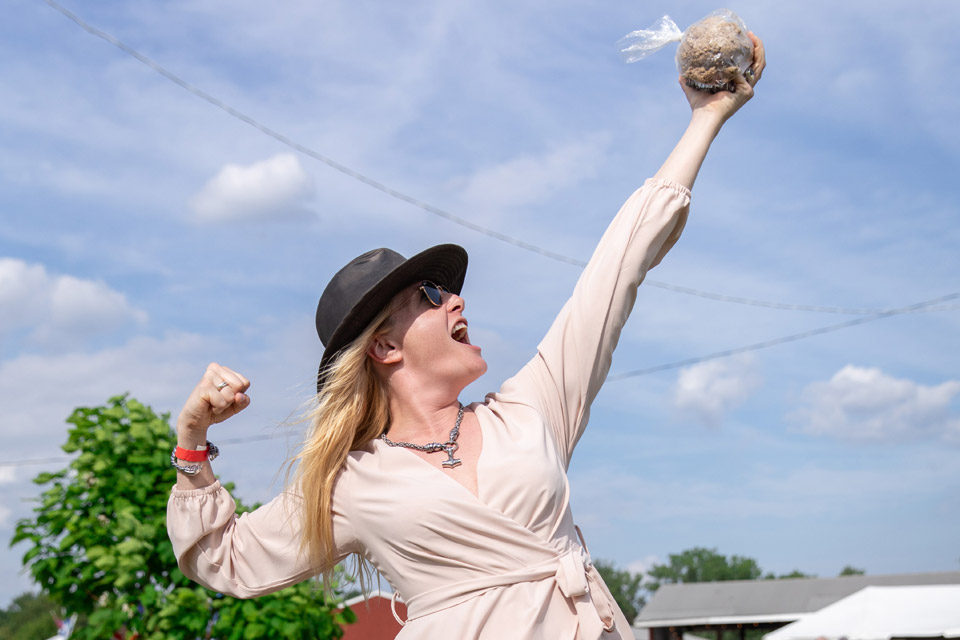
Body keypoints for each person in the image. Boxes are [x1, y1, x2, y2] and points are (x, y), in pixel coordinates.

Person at [167, 35, 765, 639]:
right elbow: (227, 558)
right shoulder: (350, 481)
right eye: (428, 296)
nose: (456, 299)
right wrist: (192, 441)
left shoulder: (534, 409)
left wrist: (705, 118)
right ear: (383, 347)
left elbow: (617, 267)